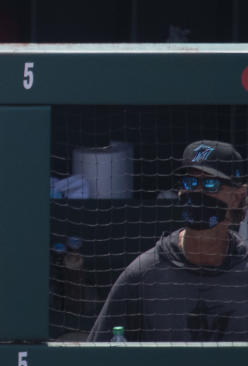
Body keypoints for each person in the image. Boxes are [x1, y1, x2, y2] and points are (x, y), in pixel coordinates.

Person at [89, 140, 248, 342]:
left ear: (237, 197)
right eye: (189, 183)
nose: (197, 193)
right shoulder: (144, 273)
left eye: (210, 184)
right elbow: (98, 354)